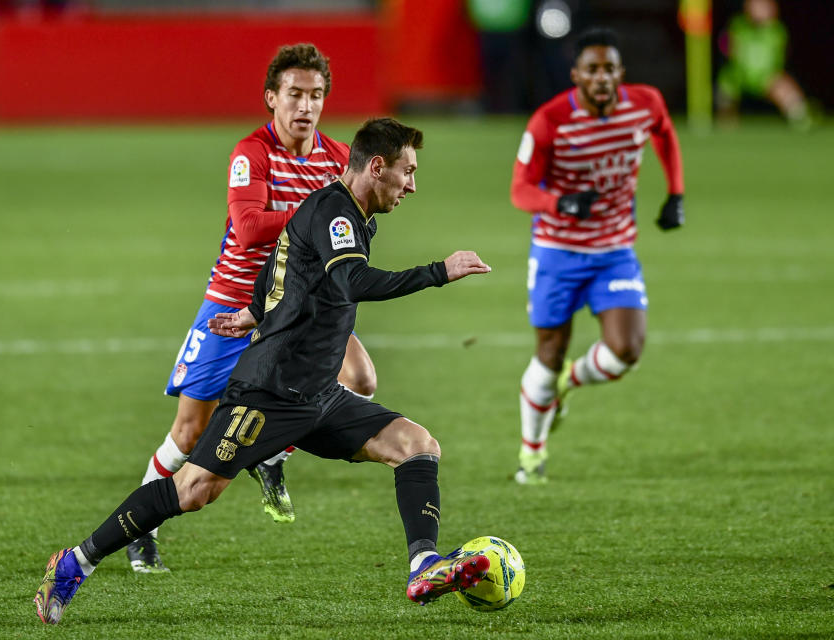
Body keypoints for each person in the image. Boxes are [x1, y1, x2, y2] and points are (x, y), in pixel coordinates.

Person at [34, 118, 494, 625]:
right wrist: (439, 271)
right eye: (407, 172)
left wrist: (254, 312)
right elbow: (351, 280)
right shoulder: (335, 212)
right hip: (269, 391)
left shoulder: (354, 214)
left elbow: (283, 266)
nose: (412, 185)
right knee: (193, 491)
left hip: (320, 393)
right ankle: (74, 563)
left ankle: (423, 564)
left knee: (417, 445)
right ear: (377, 167)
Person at [126, 43, 379, 573]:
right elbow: (246, 227)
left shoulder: (337, 159)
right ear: (272, 98)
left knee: (360, 378)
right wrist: (313, 216)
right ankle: (140, 526)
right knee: (191, 432)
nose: (305, 106)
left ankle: (273, 454)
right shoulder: (253, 153)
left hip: (297, 307)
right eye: (294, 94)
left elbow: (354, 223)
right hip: (233, 300)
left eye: (315, 96)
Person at [509, 27, 685, 484]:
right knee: (549, 351)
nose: (602, 77)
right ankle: (532, 453)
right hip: (557, 252)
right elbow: (520, 189)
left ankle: (572, 381)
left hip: (614, 250)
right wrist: (559, 203)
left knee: (627, 349)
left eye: (610, 68)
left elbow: (664, 133)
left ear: (621, 73)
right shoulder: (549, 120)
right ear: (576, 76)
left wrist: (675, 192)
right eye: (592, 69)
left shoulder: (644, 104)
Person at [716, 0, 814, 131]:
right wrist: (728, 47)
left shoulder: (776, 32)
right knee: (724, 89)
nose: (759, 11)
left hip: (764, 77)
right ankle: (726, 125)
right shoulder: (738, 25)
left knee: (784, 86)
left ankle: (799, 117)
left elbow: (777, 61)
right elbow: (724, 44)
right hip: (739, 75)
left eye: (763, 7)